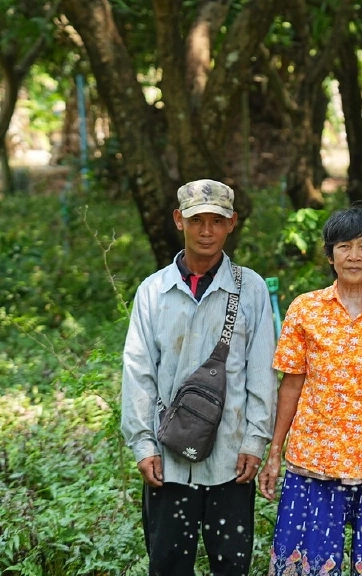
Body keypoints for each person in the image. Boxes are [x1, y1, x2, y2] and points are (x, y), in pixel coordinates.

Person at [258, 203, 362, 576]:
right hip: (315, 458)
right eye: (344, 246)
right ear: (330, 255)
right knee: (309, 566)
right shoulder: (306, 310)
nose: (354, 256)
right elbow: (292, 385)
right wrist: (274, 452)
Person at [121, 179, 277, 575]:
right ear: (179, 220)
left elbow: (262, 373)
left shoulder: (251, 289)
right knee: (168, 566)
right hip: (167, 458)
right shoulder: (153, 291)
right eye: (196, 221)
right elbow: (138, 372)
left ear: (232, 223)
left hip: (231, 457)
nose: (206, 231)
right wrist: (143, 445)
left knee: (232, 566)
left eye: (216, 220)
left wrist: (256, 441)